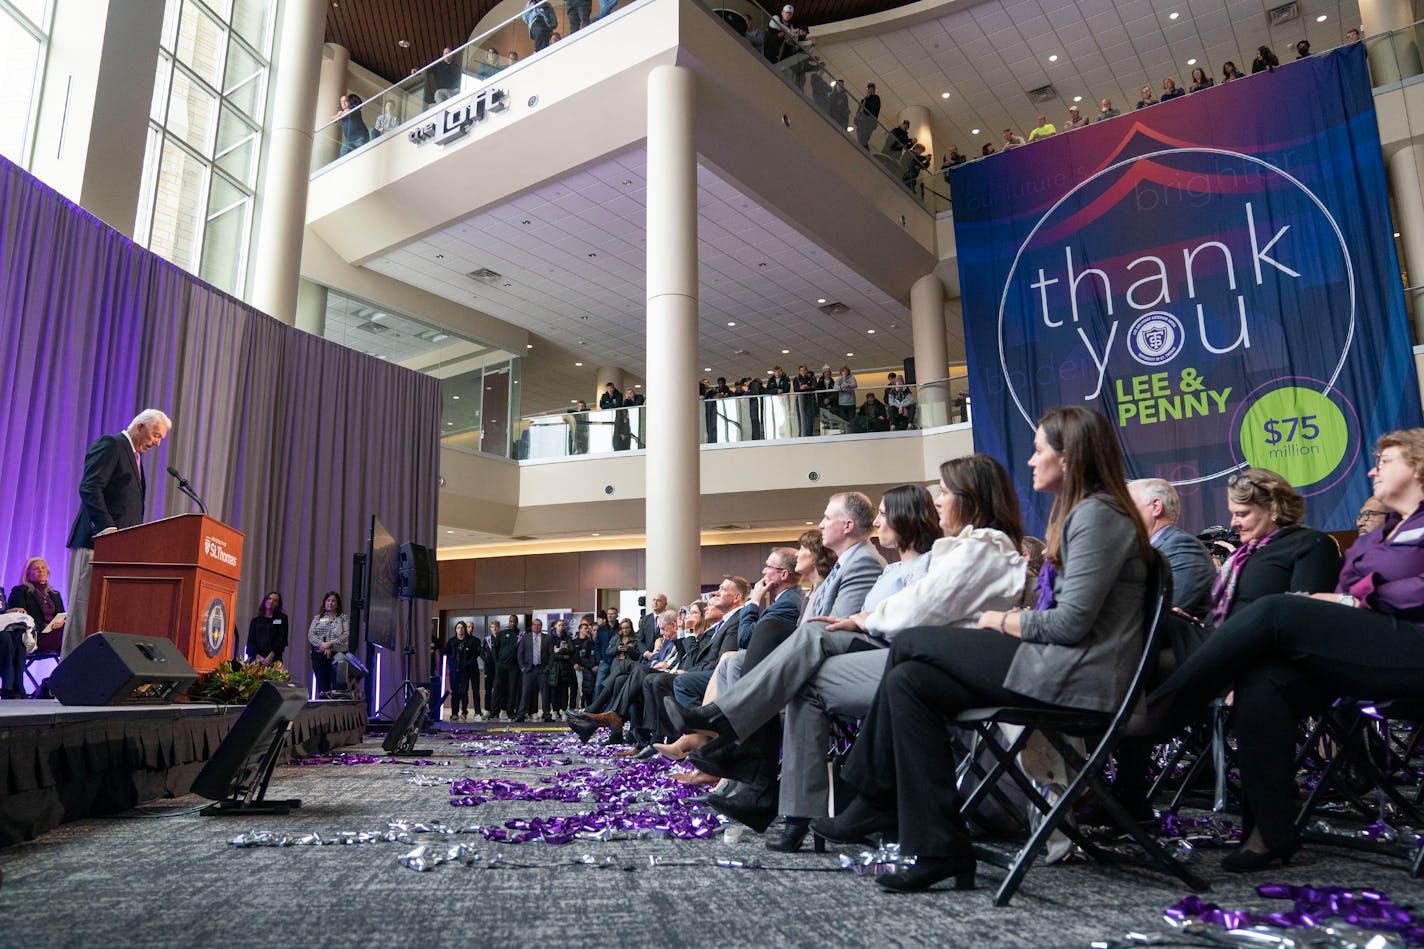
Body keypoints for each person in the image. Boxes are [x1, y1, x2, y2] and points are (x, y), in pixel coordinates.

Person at [813, 406, 1154, 892]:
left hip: (1078, 676)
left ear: (1070, 455)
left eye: (1039, 450)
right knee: (911, 680)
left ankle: (872, 795)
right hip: (1058, 664)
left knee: (911, 644)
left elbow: (1072, 623)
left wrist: (1003, 619)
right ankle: (939, 846)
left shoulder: (1098, 516)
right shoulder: (1086, 514)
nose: (1031, 461)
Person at [1150, 430, 1424, 872]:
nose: (1373, 469)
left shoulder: (1319, 543)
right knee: (1265, 680)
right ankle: (1269, 833)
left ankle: (1164, 710)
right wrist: (1355, 599)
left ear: (1418, 466)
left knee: (1278, 610)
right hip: (1367, 650)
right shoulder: (1377, 538)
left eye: (1386, 460)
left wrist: (1360, 598)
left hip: (1412, 645)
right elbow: (1345, 591)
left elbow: (1358, 595)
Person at [64, 409, 170, 657]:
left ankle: (94, 674)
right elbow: (90, 487)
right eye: (156, 435)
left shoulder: (135, 457)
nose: (157, 443)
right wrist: (107, 530)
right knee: (84, 610)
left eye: (161, 439)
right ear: (140, 427)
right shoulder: (112, 444)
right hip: (97, 544)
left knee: (103, 614)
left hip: (118, 551)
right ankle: (70, 675)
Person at [1127, 480, 1215, 621]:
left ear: (1156, 506)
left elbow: (1160, 614)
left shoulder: (1184, 547)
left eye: (1128, 507)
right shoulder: (1146, 552)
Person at [8, 557, 65, 655]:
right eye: (36, 568)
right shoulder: (20, 591)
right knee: (69, 635)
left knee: (71, 630)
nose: (41, 570)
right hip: (35, 636)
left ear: (47, 572)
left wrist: (62, 622)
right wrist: (45, 626)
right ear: (28, 574)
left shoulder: (55, 594)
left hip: (56, 634)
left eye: (43, 568)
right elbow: (21, 617)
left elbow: (62, 615)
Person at [307, 591, 348, 696]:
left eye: (333, 601)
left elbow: (345, 635)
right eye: (328, 600)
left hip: (338, 655)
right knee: (323, 687)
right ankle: (323, 709)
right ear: (324, 603)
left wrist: (330, 644)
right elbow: (311, 635)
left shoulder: (343, 618)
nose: (330, 603)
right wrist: (322, 645)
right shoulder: (318, 618)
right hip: (319, 655)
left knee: (338, 687)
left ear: (338, 604)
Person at [517, 618, 553, 721]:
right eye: (535, 625)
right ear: (532, 626)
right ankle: (521, 715)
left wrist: (548, 668)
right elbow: (520, 653)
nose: (536, 626)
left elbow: (551, 655)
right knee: (525, 693)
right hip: (529, 669)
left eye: (538, 625)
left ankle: (546, 714)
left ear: (541, 627)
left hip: (542, 669)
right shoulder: (526, 638)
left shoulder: (548, 638)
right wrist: (522, 667)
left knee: (545, 693)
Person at [244, 591, 288, 665]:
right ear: (265, 600)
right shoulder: (255, 621)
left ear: (278, 604)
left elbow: (281, 640)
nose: (271, 601)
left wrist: (269, 657)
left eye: (275, 600)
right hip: (256, 660)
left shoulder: (282, 619)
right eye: (270, 599)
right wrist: (260, 658)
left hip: (274, 660)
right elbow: (250, 642)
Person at [446, 621, 478, 720]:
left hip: (465, 671)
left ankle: (464, 711)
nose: (460, 629)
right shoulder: (451, 641)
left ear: (465, 629)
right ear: (456, 629)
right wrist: (451, 665)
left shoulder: (469, 641)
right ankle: (454, 713)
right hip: (454, 671)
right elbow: (446, 654)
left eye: (462, 627)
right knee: (454, 692)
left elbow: (474, 655)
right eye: (458, 627)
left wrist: (466, 664)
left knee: (464, 692)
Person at [854, 82, 880, 149]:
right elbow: (859, 110)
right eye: (869, 89)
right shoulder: (863, 100)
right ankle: (863, 152)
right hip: (861, 122)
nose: (870, 90)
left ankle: (864, 152)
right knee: (860, 139)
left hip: (868, 123)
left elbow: (872, 110)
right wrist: (856, 118)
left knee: (863, 140)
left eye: (872, 89)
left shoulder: (876, 98)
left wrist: (869, 98)